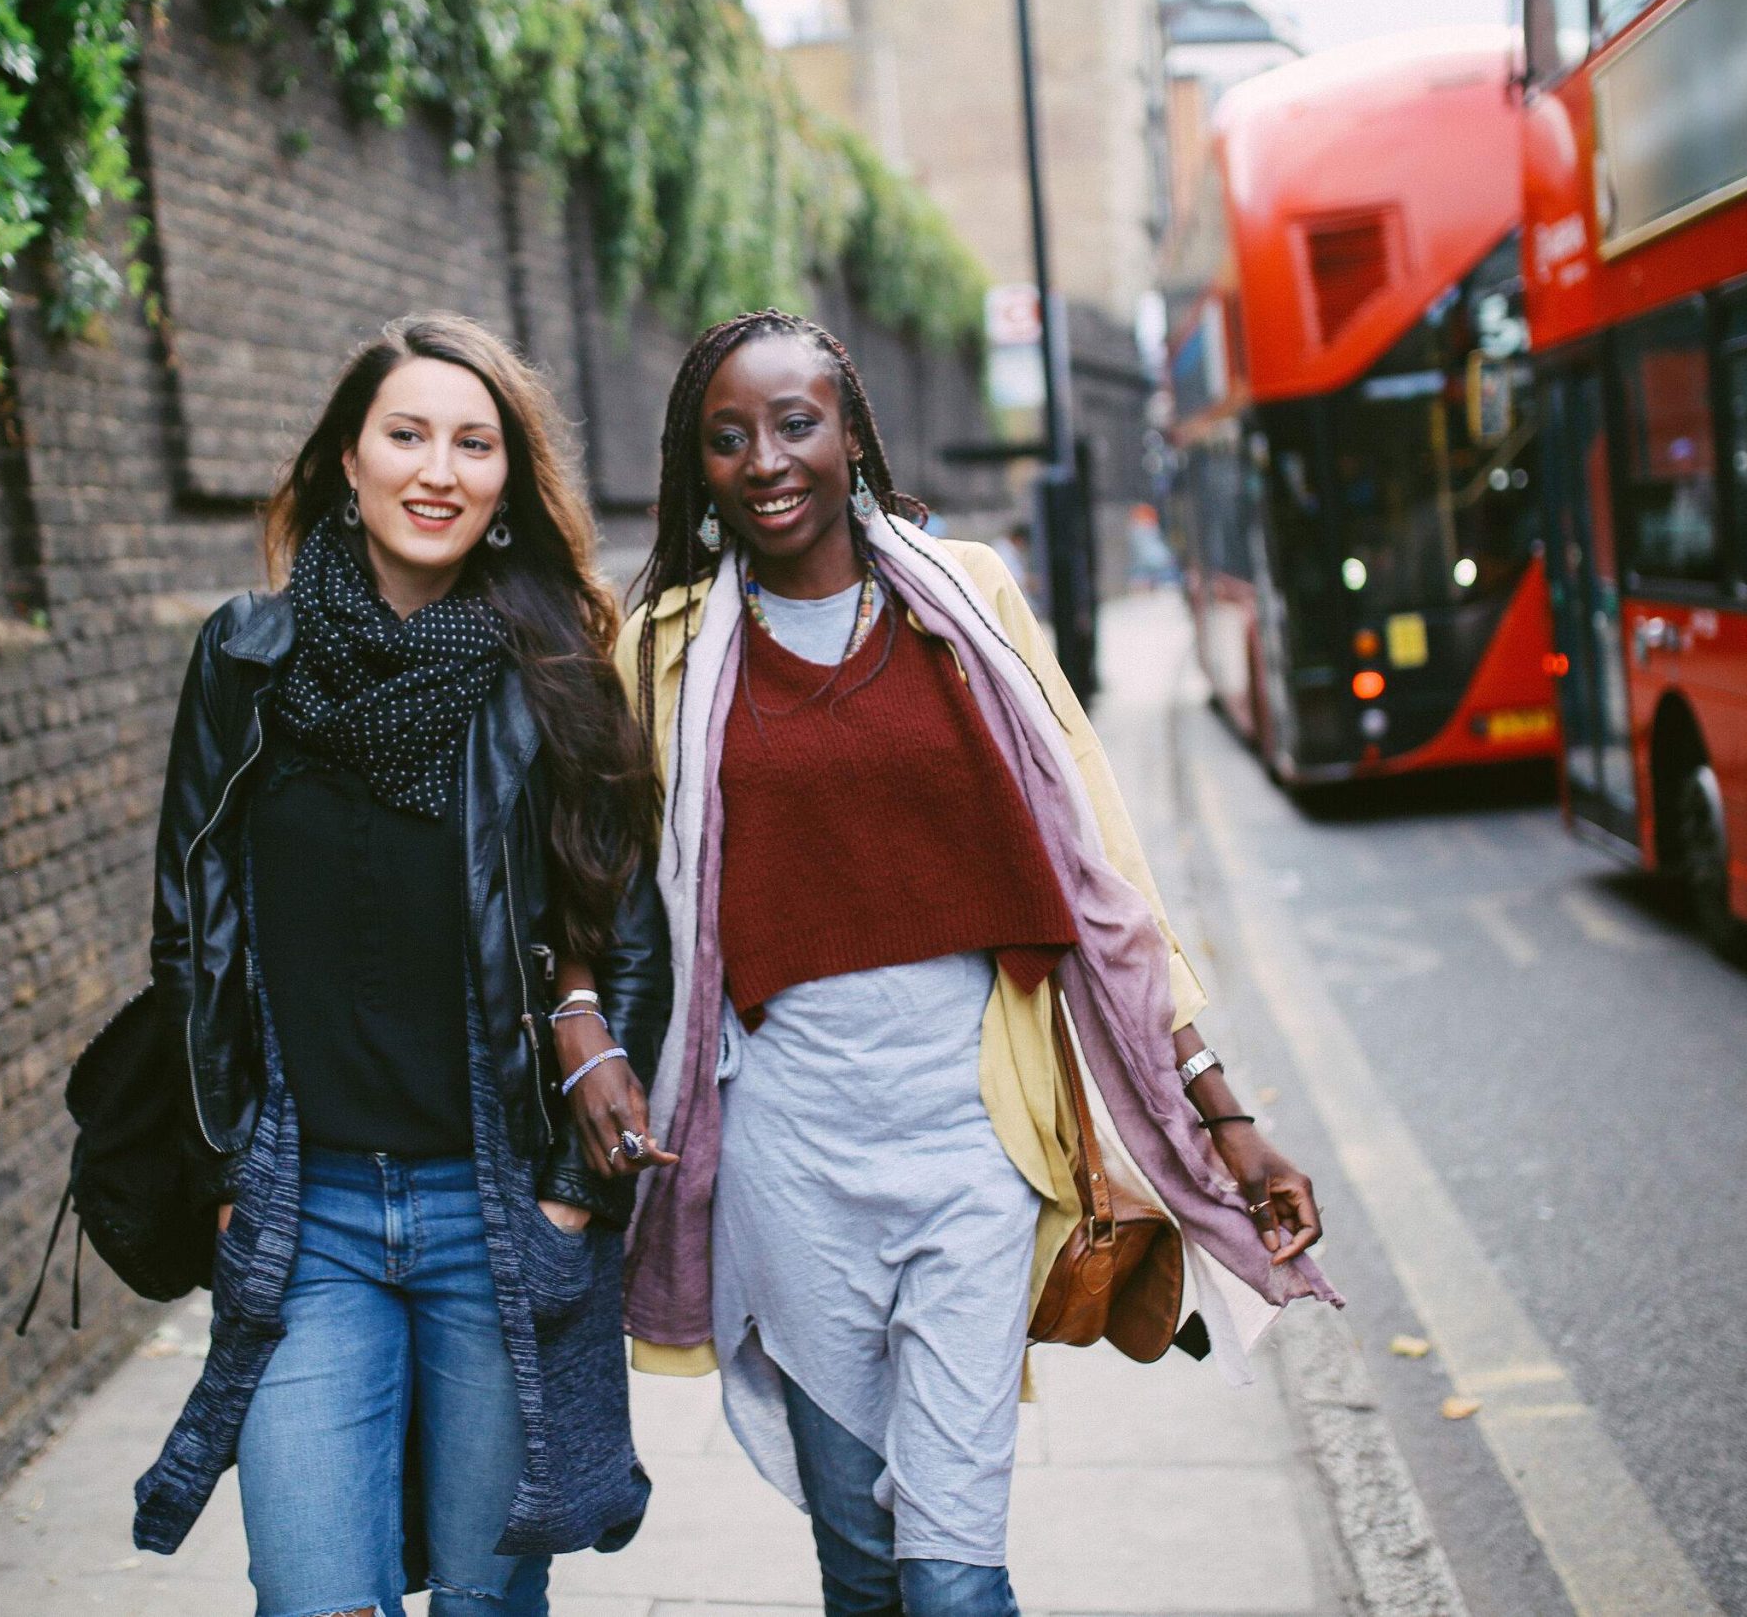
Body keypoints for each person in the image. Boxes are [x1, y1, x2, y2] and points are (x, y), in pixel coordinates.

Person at [616, 310, 1336, 1617]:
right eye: (729, 437)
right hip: (786, 1157)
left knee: (951, 1580)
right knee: (859, 1573)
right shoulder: (663, 646)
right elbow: (595, 886)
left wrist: (1220, 1107)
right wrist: (578, 1030)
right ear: (694, 466)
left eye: (796, 422)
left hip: (973, 1145)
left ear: (852, 434)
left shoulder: (973, 598)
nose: (768, 459)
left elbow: (1104, 870)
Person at [129, 314, 674, 1616]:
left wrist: (565, 1200)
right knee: (316, 1596)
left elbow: (632, 936)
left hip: (489, 1215)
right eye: (407, 434)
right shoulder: (245, 659)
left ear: (503, 486)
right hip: (302, 1215)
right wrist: (220, 1176)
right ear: (347, 464)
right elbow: (190, 929)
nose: (439, 468)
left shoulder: (554, 676)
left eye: (474, 443)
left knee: (489, 1603)